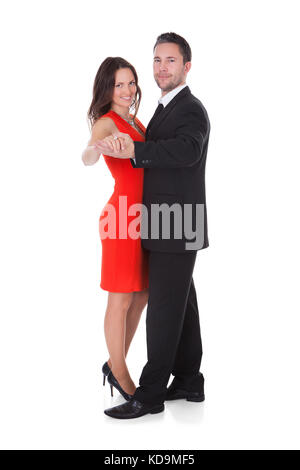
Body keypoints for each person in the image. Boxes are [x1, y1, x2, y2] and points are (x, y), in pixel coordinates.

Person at [95, 32, 210, 420]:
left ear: (186, 66)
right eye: (157, 60)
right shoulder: (162, 108)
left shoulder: (189, 109)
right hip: (170, 222)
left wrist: (136, 150)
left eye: (171, 61)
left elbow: (187, 150)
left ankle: (150, 394)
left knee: (162, 308)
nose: (162, 67)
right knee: (183, 305)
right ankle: (191, 381)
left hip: (176, 223)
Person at [82, 57, 149, 401]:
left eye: (130, 83)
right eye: (117, 85)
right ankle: (121, 374)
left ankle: (114, 361)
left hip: (144, 219)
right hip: (121, 220)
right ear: (106, 89)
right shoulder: (108, 123)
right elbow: (91, 150)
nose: (125, 90)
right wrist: (95, 150)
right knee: (120, 299)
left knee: (141, 295)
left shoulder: (133, 120)